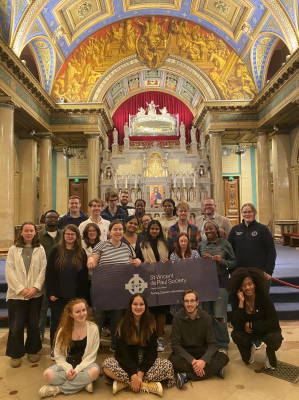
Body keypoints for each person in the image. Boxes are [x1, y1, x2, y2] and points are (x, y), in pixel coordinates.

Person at [102, 294, 175, 395]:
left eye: (141, 304)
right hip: (128, 362)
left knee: (168, 366)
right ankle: (143, 384)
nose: (138, 307)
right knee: (106, 365)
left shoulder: (151, 324)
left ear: (145, 306)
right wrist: (133, 374)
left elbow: (152, 353)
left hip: (145, 363)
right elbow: (121, 354)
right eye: (135, 304)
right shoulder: (123, 324)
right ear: (130, 306)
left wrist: (140, 374)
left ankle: (127, 383)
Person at [87, 220, 141, 351]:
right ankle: (93, 346)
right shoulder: (102, 245)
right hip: (101, 288)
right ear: (110, 232)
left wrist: (136, 260)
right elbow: (93, 259)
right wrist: (90, 261)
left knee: (117, 319)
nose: (118, 232)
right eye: (115, 229)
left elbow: (130, 261)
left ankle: (115, 346)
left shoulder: (126, 247)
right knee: (98, 319)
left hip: (118, 290)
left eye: (120, 229)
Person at [5, 221, 47, 368]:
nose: (29, 233)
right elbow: (9, 271)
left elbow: (43, 270)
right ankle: (15, 354)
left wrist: (35, 288)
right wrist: (22, 289)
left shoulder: (40, 249)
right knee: (16, 325)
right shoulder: (13, 249)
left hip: (35, 295)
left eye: (31, 231)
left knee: (34, 324)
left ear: (35, 233)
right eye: (26, 231)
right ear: (21, 233)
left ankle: (33, 350)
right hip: (17, 295)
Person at [39, 299, 100, 397]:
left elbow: (92, 355)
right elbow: (58, 355)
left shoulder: (93, 328)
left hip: (85, 364)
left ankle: (59, 389)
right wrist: (68, 369)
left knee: (95, 371)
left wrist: (77, 370)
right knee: (47, 374)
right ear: (71, 314)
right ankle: (82, 383)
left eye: (83, 310)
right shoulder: (63, 331)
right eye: (77, 312)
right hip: (67, 364)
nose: (82, 314)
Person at [169, 289, 229, 388]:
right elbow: (175, 345)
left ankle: (187, 375)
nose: (189, 304)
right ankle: (214, 370)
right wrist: (193, 361)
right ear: (183, 303)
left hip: (202, 351)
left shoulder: (206, 317)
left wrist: (204, 360)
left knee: (224, 358)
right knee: (172, 360)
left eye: (192, 301)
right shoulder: (177, 318)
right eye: (186, 301)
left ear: (197, 302)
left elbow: (213, 344)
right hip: (186, 353)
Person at [226, 268, 283, 369]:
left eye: (249, 284)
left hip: (265, 330)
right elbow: (235, 324)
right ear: (239, 287)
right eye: (243, 285)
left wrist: (252, 324)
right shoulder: (237, 299)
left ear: (255, 284)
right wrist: (241, 303)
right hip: (248, 332)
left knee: (274, 337)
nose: (247, 287)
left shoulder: (264, 297)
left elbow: (274, 323)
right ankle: (249, 347)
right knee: (236, 335)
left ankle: (270, 352)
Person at [46, 224, 89, 354]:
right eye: (68, 234)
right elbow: (50, 273)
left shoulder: (81, 252)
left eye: (73, 234)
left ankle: (71, 348)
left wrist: (81, 296)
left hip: (75, 295)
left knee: (73, 324)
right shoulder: (56, 250)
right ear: (64, 236)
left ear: (77, 237)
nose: (70, 236)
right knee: (57, 323)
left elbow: (83, 276)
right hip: (58, 294)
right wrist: (51, 291)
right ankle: (55, 348)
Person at [197, 220, 236, 353]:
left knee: (219, 315)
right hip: (206, 284)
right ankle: (210, 342)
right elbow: (197, 263)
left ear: (217, 230)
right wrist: (204, 260)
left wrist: (221, 260)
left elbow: (233, 263)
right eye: (206, 229)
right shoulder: (201, 245)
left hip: (221, 282)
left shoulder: (225, 244)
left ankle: (223, 344)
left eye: (211, 229)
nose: (208, 231)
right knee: (207, 316)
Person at [138, 220, 170, 352]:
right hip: (147, 279)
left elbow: (172, 258)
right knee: (150, 310)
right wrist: (142, 261)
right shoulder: (142, 244)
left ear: (160, 230)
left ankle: (160, 338)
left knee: (161, 311)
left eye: (157, 229)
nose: (154, 231)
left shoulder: (166, 244)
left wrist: (169, 260)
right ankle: (150, 336)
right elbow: (136, 260)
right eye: (152, 229)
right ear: (148, 229)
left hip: (163, 280)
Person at [228, 203, 276, 283]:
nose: (247, 214)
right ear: (242, 213)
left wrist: (269, 271)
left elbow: (271, 251)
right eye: (244, 212)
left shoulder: (263, 229)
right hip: (240, 271)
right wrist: (232, 271)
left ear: (255, 213)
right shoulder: (235, 229)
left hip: (260, 271)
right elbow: (230, 251)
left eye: (250, 212)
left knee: (261, 295)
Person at [38, 210, 63, 342]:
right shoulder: (39, 236)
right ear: (45, 219)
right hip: (42, 276)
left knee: (57, 308)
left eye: (55, 217)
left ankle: (58, 333)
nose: (52, 219)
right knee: (42, 306)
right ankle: (40, 332)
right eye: (49, 217)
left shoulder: (63, 234)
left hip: (60, 277)